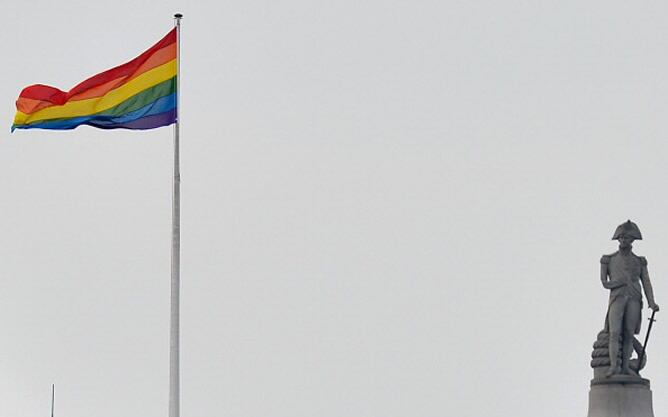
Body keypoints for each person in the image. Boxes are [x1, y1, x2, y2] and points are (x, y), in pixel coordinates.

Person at [600, 220, 659, 377]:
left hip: (634, 297)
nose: (624, 240)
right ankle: (614, 367)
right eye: (622, 237)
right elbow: (604, 283)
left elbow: (646, 282)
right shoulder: (608, 259)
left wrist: (651, 302)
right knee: (614, 332)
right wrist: (617, 283)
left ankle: (625, 367)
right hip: (617, 297)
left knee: (628, 333)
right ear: (618, 239)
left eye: (627, 238)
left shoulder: (639, 261)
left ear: (632, 240)